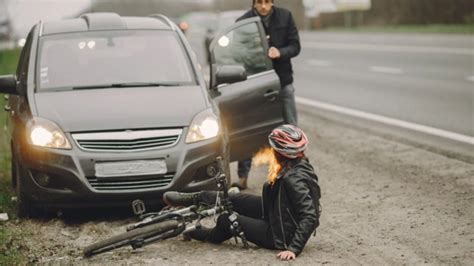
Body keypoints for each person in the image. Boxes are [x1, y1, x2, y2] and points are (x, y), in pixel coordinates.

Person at [164, 125, 321, 261]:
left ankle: (208, 235)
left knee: (227, 219)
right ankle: (194, 198)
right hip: (277, 213)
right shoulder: (297, 164)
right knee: (234, 198)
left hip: (278, 234)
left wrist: (293, 249)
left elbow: (310, 215)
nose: (271, 151)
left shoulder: (294, 179)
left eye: (274, 148)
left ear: (282, 152)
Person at [233, 0, 301, 190]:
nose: (264, 6)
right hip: (255, 84)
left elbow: (295, 46)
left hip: (282, 82)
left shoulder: (285, 16)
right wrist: (257, 54)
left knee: (290, 128)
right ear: (254, 3)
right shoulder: (243, 22)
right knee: (248, 129)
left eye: (267, 2)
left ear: (272, 2)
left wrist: (280, 51)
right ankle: (243, 177)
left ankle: (296, 172)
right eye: (260, 2)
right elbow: (238, 53)